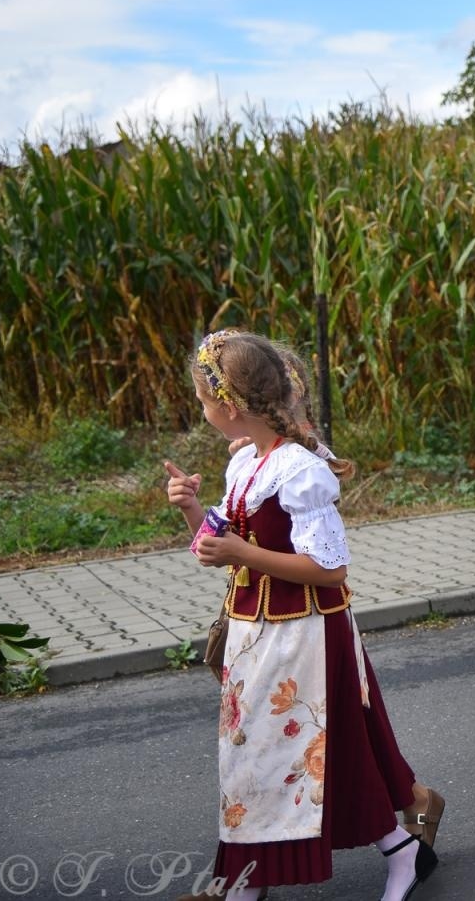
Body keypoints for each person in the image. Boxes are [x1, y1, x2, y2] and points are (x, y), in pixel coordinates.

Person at [164, 330, 439, 901]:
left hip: (306, 634)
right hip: (255, 634)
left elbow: (329, 568)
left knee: (318, 755)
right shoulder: (246, 462)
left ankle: (400, 849)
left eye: (204, 401)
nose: (203, 411)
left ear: (231, 406)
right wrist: (192, 509)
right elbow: (215, 549)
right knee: (253, 753)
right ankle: (248, 879)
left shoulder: (299, 470)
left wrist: (240, 552)